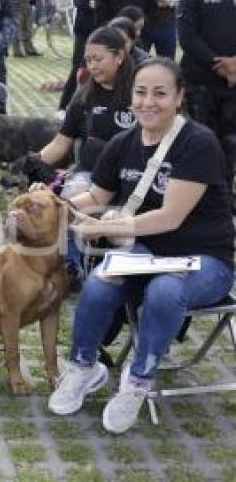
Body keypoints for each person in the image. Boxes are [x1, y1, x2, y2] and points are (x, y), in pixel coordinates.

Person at [47, 58, 235, 434]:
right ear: (130, 95)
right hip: (146, 253)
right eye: (141, 92)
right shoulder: (123, 142)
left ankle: (138, 380)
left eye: (161, 93)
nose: (148, 102)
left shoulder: (197, 143)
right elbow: (96, 195)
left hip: (206, 260)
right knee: (102, 281)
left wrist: (106, 225)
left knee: (166, 290)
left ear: (179, 97)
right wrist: (53, 208)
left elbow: (170, 218)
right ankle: (84, 368)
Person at [38, 26, 136, 281]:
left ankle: (118, 263)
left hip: (133, 176)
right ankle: (71, 267)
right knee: (66, 197)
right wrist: (32, 163)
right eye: (88, 60)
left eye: (98, 59)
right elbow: (61, 142)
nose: (92, 66)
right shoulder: (84, 95)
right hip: (92, 174)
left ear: (119, 56)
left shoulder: (140, 92)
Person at [177, 0, 236, 186]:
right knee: (203, 140)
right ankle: (202, 193)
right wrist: (221, 64)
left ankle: (225, 193)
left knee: (231, 142)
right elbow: (188, 38)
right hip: (200, 82)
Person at [59, 0, 116, 110]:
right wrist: (96, 2)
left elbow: (104, 6)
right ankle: (63, 107)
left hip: (105, 32)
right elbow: (81, 1)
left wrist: (94, 1)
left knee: (106, 68)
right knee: (78, 66)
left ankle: (101, 104)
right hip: (85, 32)